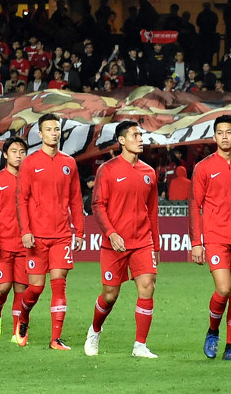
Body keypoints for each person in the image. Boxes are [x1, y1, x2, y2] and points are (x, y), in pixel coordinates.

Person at [85, 121, 161, 359]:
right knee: (110, 295)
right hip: (114, 243)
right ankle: (95, 330)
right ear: (121, 140)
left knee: (147, 287)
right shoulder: (107, 170)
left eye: (141, 135)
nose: (140, 139)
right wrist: (111, 233)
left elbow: (152, 211)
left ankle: (140, 345)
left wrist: (156, 245)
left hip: (142, 241)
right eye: (135, 135)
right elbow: (97, 205)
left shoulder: (149, 172)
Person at [189, 114, 231, 362]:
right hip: (216, 237)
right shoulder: (204, 167)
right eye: (220, 132)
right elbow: (195, 206)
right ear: (214, 137)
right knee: (224, 288)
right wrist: (197, 242)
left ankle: (230, 348)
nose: (225, 136)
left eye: (229, 132)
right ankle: (212, 331)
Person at [15, 113, 85, 350]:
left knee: (59, 284)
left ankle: (55, 338)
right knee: (35, 288)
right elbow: (21, 199)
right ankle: (23, 317)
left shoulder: (69, 163)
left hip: (62, 235)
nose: (54, 133)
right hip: (36, 236)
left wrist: (80, 231)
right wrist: (25, 230)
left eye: (57, 129)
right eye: (49, 129)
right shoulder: (30, 163)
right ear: (40, 134)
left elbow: (76, 200)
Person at [0, 136, 30, 342]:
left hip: (26, 244)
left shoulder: (31, 179)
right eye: (13, 151)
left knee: (22, 288)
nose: (18, 155)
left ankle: (16, 332)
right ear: (5, 155)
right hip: (2, 242)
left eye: (21, 151)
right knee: (3, 287)